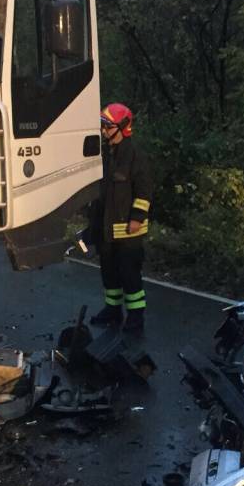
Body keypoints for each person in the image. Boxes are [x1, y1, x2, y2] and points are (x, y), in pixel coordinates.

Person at [90, 102, 153, 333]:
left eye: (108, 126)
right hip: (107, 229)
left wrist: (137, 218)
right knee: (109, 272)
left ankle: (136, 317)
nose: (104, 131)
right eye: (103, 126)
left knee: (129, 275)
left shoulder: (135, 156)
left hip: (128, 230)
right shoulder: (106, 154)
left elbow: (144, 191)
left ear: (123, 126)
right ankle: (113, 310)